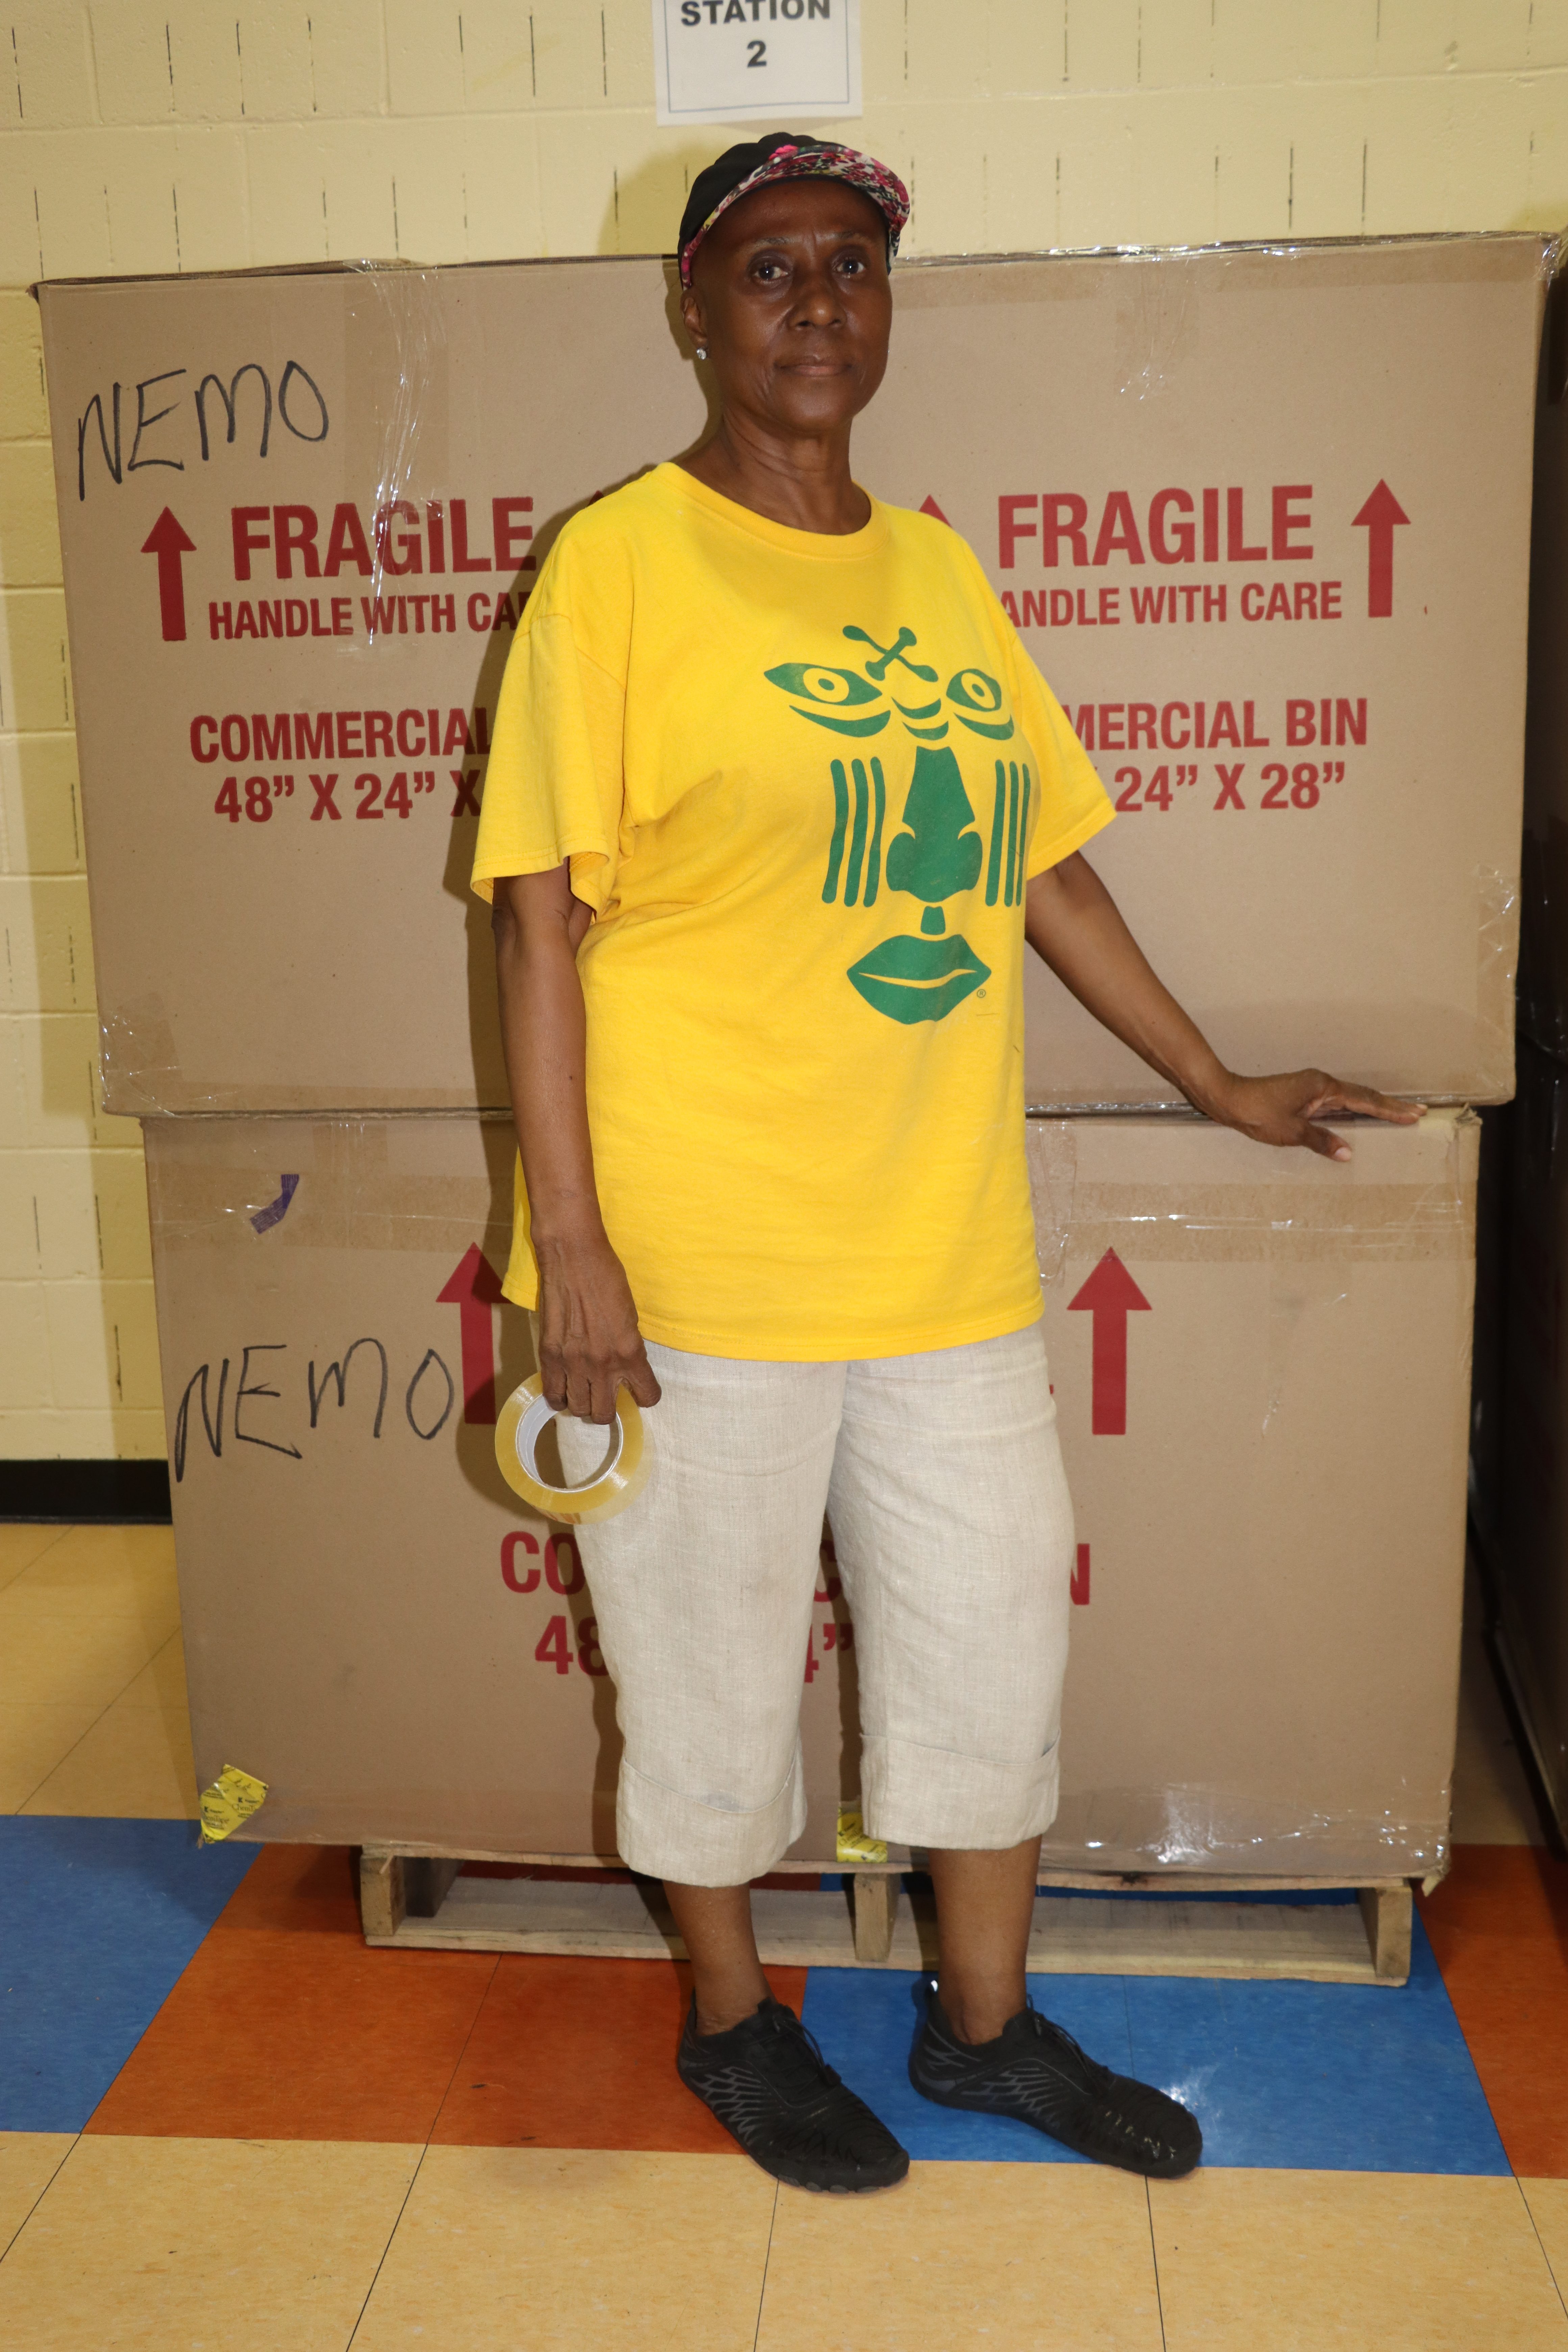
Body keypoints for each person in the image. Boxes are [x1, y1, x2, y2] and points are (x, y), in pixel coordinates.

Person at [472, 133, 1419, 2196]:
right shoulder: (619, 565)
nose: (818, 303)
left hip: (942, 1251)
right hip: (692, 1262)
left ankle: (984, 2032)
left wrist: (1217, 1079)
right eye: (769, 269)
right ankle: (737, 2026)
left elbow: (1042, 865)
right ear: (693, 310)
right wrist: (575, 1251)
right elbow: (536, 916)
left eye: (853, 267)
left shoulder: (932, 569)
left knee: (991, 1649)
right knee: (708, 1679)